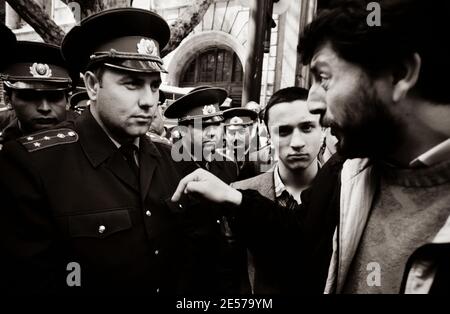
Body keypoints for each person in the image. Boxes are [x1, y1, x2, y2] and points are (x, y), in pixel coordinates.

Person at [172, 0, 450, 294]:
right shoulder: (346, 170)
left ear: (399, 73)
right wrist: (236, 199)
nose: (314, 104)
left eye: (324, 78)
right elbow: (299, 241)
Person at [0, 8, 241, 295]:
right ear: (91, 85)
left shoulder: (173, 159)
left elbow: (199, 262)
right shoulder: (33, 164)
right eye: (132, 84)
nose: (148, 101)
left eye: (154, 86)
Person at [231, 87, 324, 293]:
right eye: (283, 131)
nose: (297, 143)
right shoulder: (239, 193)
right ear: (268, 135)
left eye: (307, 127)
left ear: (324, 130)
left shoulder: (346, 193)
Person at [0, 41, 77, 146]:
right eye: (30, 97)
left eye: (54, 97)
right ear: (8, 100)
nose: (44, 108)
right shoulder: (5, 142)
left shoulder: (88, 134)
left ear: (67, 100)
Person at [164, 85, 239, 183]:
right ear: (182, 129)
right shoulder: (167, 167)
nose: (212, 133)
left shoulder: (229, 167)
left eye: (216, 124)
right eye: (202, 126)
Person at [222, 107, 260, 180]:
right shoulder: (218, 161)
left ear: (251, 132)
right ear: (225, 135)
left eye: (241, 132)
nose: (236, 138)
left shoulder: (259, 159)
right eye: (231, 133)